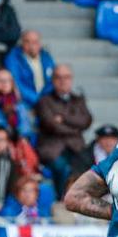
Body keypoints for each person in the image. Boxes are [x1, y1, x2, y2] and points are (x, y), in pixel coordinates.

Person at [34, 64, 93, 195]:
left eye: (66, 77)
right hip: (52, 149)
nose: (63, 81)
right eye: (58, 77)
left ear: (71, 79)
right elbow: (52, 125)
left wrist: (64, 118)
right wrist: (76, 128)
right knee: (63, 168)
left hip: (76, 147)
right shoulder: (44, 101)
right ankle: (63, 201)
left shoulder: (78, 99)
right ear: (53, 80)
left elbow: (86, 121)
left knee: (89, 168)